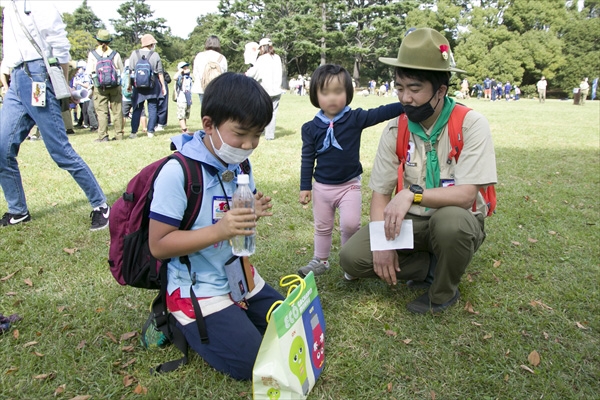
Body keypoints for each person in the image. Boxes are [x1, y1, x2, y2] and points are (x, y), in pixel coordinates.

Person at [339, 27, 497, 314]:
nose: (404, 98)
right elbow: (381, 194)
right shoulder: (395, 128)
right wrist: (382, 244)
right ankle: (431, 267)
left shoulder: (471, 124)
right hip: (410, 223)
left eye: (414, 89)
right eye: (400, 87)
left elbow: (464, 196)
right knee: (353, 258)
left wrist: (413, 195)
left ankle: (443, 292)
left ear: (441, 91)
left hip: (454, 218)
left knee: (452, 225)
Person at [147, 72, 283, 380]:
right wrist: (221, 230)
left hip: (238, 276)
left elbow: (227, 215)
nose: (249, 144)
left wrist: (250, 213)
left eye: (257, 135)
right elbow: (159, 245)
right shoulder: (177, 172)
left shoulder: (238, 164)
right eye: (241, 134)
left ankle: (232, 315)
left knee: (292, 326)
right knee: (252, 363)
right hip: (197, 289)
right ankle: (177, 319)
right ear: (209, 125)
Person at [0, 0, 110, 230]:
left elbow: (60, 45)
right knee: (1, 147)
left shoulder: (39, 4)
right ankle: (18, 210)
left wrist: (62, 83)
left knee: (59, 150)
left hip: (37, 74)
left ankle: (100, 205)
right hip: (16, 78)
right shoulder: (8, 6)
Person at [297, 64, 404, 277]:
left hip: (349, 186)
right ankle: (321, 260)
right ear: (315, 95)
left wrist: (405, 105)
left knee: (350, 225)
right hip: (321, 188)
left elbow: (379, 113)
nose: (332, 98)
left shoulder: (354, 118)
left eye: (338, 91)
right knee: (322, 226)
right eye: (325, 93)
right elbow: (307, 158)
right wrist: (305, 187)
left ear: (348, 93)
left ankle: (349, 262)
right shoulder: (310, 128)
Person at [86, 29, 124, 142]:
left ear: (97, 41)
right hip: (114, 86)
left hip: (99, 86)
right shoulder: (115, 54)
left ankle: (103, 136)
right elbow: (121, 71)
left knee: (102, 112)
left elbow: (89, 72)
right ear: (109, 41)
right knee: (117, 111)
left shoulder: (92, 55)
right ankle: (119, 135)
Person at [127, 33, 167, 138]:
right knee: (152, 108)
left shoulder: (134, 54)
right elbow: (160, 73)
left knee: (137, 108)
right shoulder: (155, 55)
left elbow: (130, 71)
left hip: (138, 86)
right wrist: (163, 86)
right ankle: (150, 131)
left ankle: (133, 132)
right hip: (152, 85)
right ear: (151, 44)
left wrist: (129, 85)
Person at [245, 38, 283, 140]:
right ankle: (270, 135)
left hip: (265, 90)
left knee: (259, 112)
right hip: (276, 90)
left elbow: (254, 74)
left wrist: (247, 73)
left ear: (262, 47)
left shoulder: (262, 59)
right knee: (273, 113)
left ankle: (257, 131)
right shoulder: (277, 58)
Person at [191, 35, 228, 104]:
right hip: (217, 88)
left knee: (204, 110)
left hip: (202, 88)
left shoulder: (200, 55)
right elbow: (224, 75)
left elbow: (195, 73)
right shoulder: (222, 57)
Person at [173, 61, 193, 133]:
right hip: (181, 98)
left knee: (185, 114)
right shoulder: (180, 76)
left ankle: (184, 128)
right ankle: (184, 129)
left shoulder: (188, 76)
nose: (186, 68)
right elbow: (174, 77)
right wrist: (180, 71)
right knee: (181, 114)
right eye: (184, 67)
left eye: (187, 67)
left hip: (188, 98)